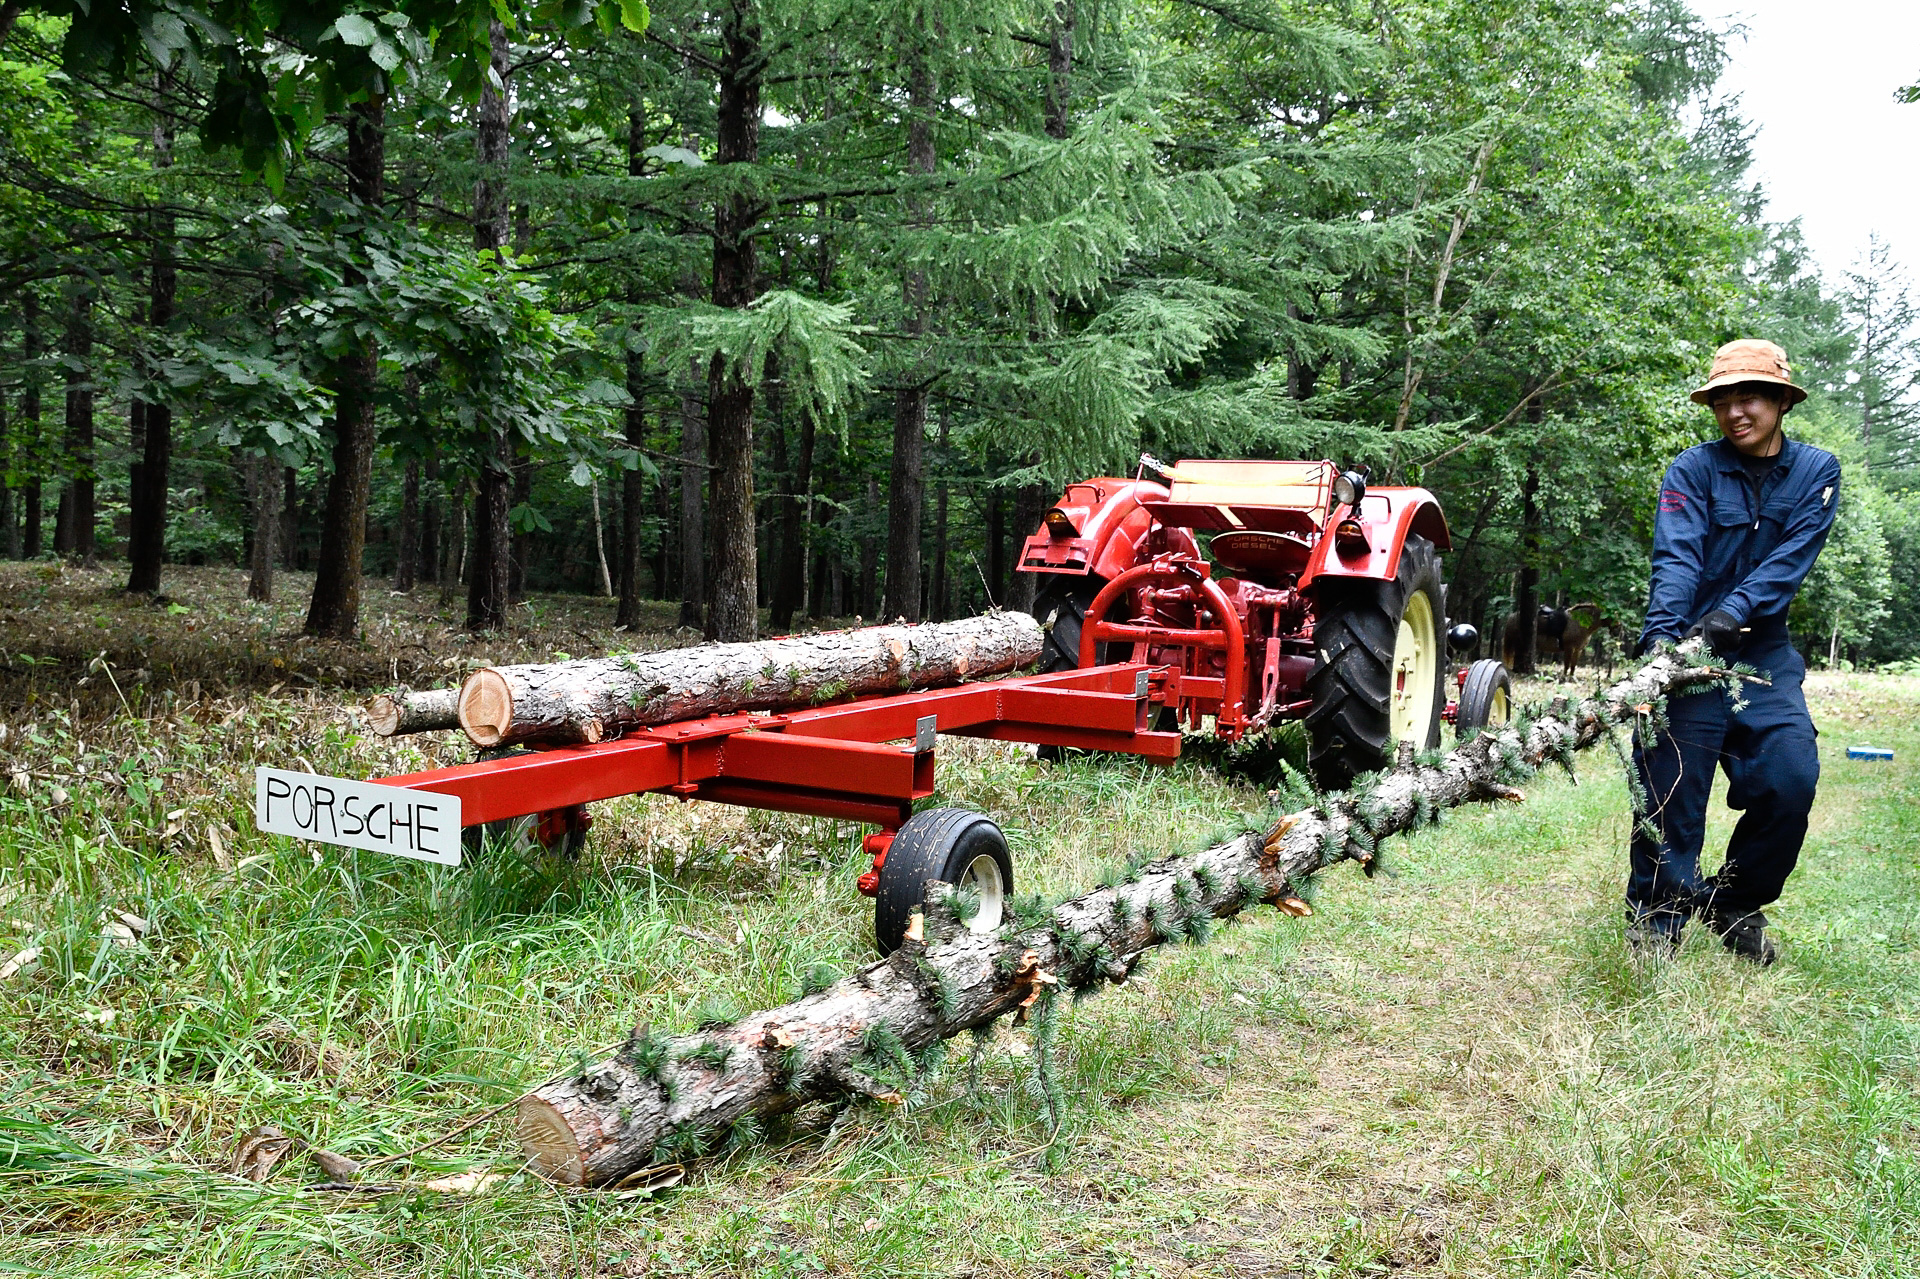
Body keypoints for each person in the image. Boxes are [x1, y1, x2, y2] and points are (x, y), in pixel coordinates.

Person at [1628, 339, 1842, 964]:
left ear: (1780, 401)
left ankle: (1734, 901)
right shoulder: (1690, 471)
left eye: (1749, 397)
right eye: (1722, 401)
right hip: (1689, 648)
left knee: (1789, 778)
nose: (1735, 412)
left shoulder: (1816, 472)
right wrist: (1661, 652)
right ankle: (1657, 925)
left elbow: (1790, 560)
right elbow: (1677, 558)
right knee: (1671, 792)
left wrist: (1735, 611)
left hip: (1763, 654)